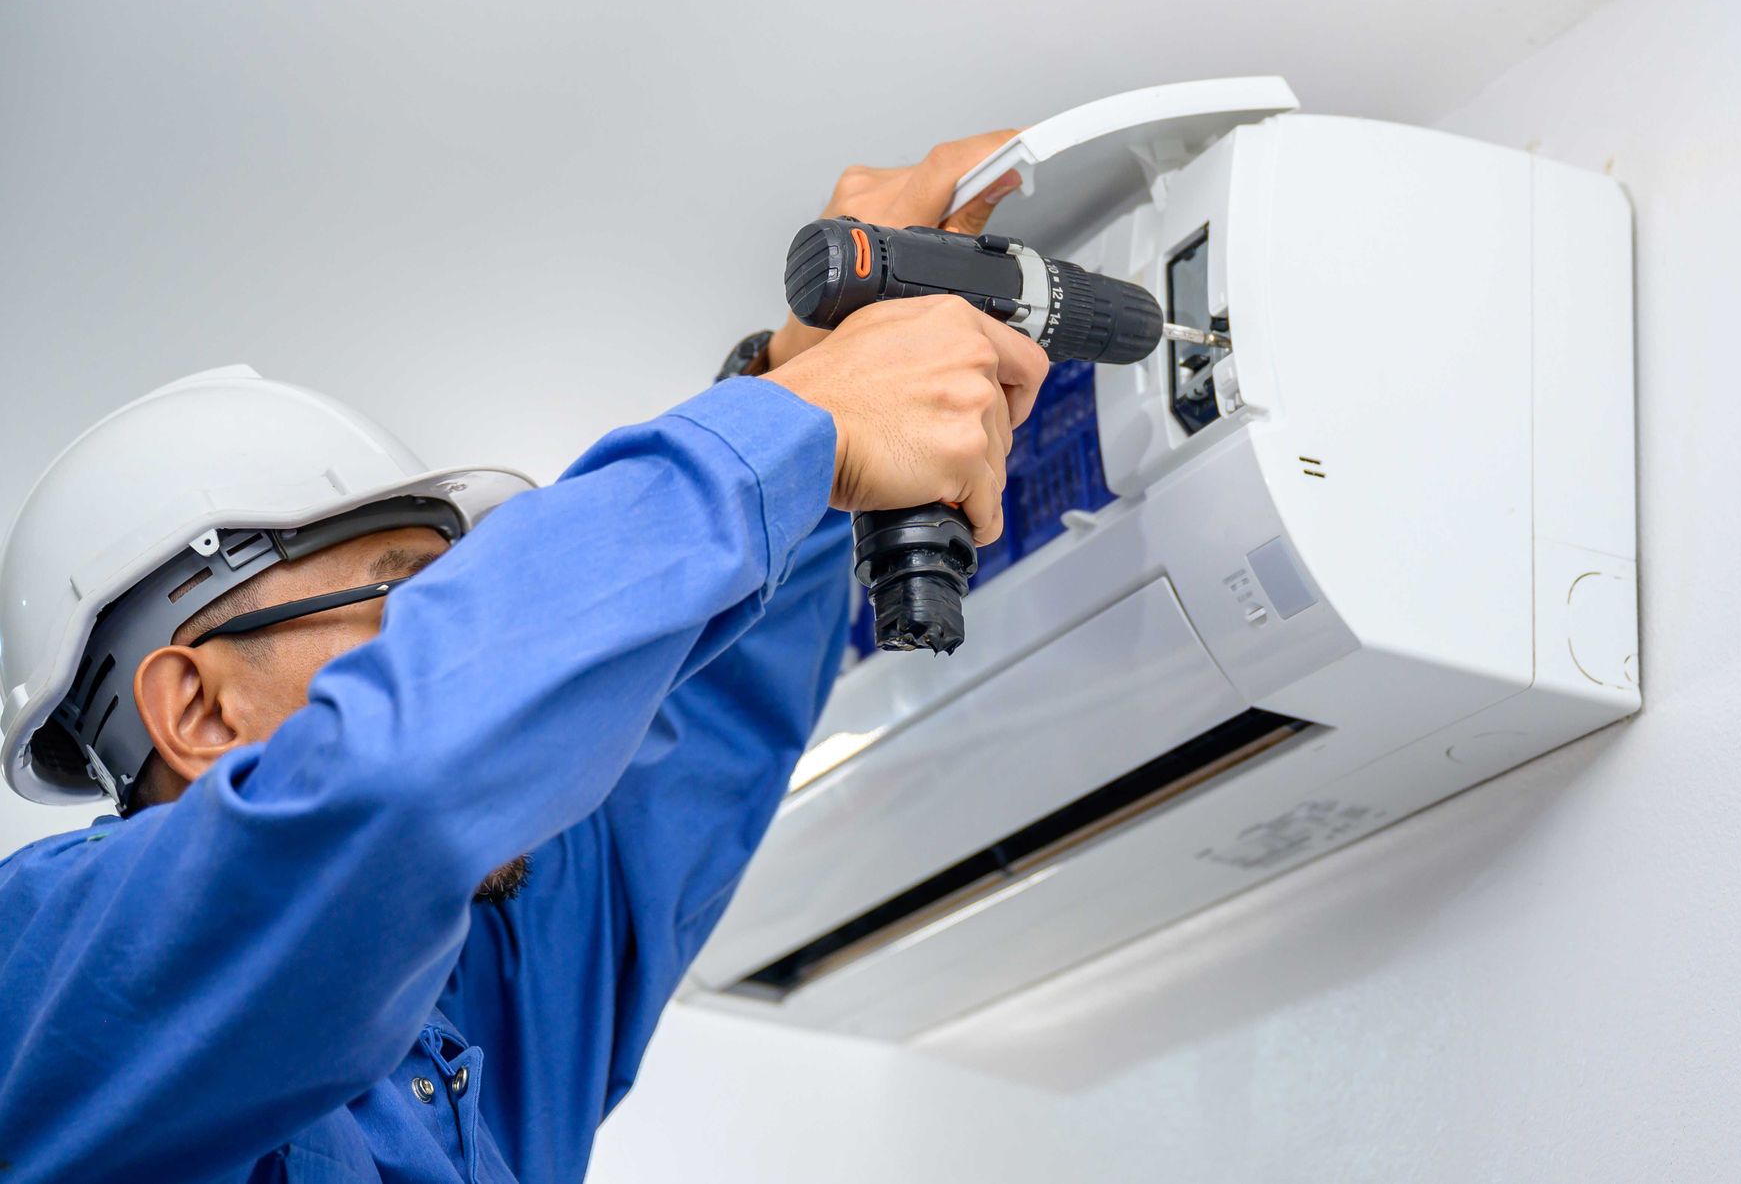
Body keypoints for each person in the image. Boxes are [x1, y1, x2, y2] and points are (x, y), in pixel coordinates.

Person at [0, 134, 1046, 1184]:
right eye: (417, 600)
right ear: (198, 707)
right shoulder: (43, 974)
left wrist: (809, 399)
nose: (468, 642)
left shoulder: (455, 1038)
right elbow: (385, 790)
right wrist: (796, 423)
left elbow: (674, 764)